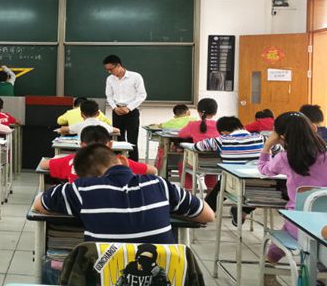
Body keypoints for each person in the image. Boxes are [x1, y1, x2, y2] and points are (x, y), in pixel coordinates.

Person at [33, 144, 214, 243]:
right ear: (122, 160)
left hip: (106, 276)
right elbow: (208, 215)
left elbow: (39, 204)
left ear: (83, 177)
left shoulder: (81, 189)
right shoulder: (160, 185)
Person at [258, 112, 327, 268]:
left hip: (299, 225)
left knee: (288, 225)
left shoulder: (285, 158)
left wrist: (267, 145)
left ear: (281, 136)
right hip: (324, 224)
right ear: (313, 128)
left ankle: (270, 263)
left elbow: (263, 169)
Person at [194, 116, 280, 226]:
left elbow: (198, 146)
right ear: (242, 126)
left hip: (233, 184)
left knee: (220, 189)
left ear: (223, 132)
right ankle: (243, 211)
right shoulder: (262, 138)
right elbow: (279, 149)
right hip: (263, 186)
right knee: (256, 191)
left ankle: (202, 215)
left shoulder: (222, 140)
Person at [40, 125, 157, 182]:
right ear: (110, 145)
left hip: (77, 213)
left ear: (82, 145)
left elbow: (43, 165)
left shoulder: (73, 160)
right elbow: (153, 170)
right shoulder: (121, 163)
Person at [103, 55, 147, 161]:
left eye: (111, 69)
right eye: (107, 70)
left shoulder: (135, 76)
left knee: (132, 140)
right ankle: (118, 163)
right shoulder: (110, 79)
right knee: (118, 140)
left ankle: (133, 164)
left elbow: (142, 95)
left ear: (118, 65)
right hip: (117, 111)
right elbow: (109, 96)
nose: (109, 72)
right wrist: (114, 108)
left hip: (132, 111)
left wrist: (129, 108)